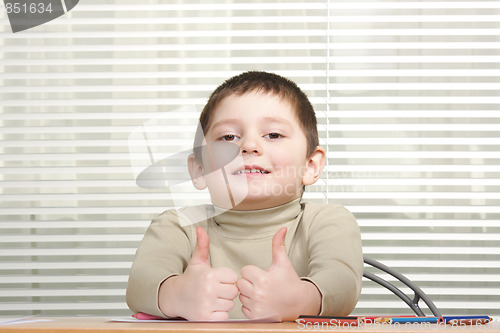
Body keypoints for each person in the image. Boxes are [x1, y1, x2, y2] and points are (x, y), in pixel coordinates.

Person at [126, 71, 363, 321]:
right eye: (228, 137)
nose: (249, 146)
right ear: (199, 169)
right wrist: (177, 294)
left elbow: (342, 284)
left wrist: (299, 298)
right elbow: (140, 283)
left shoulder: (327, 221)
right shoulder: (177, 225)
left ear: (310, 166)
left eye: (273, 134)